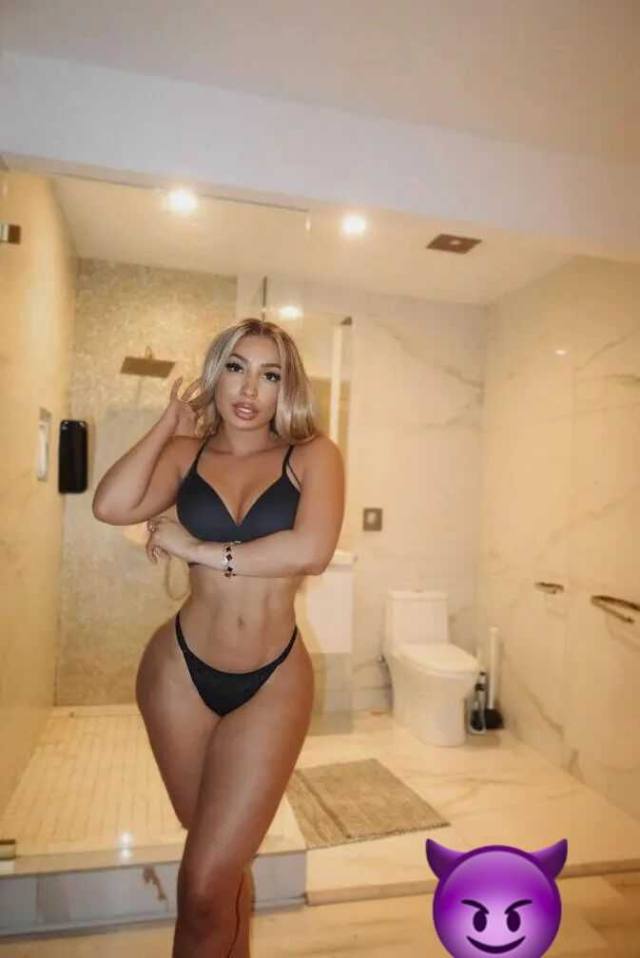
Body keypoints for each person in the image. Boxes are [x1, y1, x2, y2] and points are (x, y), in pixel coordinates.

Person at [92, 317, 345, 957]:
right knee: (216, 865)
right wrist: (167, 427)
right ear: (216, 374)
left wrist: (199, 548)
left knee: (205, 879)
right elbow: (111, 505)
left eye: (270, 374)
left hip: (272, 680)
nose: (250, 389)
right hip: (179, 673)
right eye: (236, 367)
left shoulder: (313, 455)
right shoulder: (189, 454)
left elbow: (311, 551)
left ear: (287, 387)